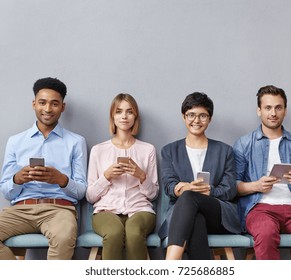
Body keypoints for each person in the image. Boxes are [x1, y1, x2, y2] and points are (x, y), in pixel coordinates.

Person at [0, 77, 87, 260]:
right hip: (20, 210)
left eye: (54, 104)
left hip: (59, 210)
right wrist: (17, 179)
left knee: (63, 238)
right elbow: (6, 191)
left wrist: (60, 179)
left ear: (62, 107)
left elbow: (81, 192)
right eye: (42, 103)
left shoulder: (76, 142)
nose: (47, 109)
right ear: (34, 104)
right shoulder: (15, 142)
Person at [233, 85, 291, 260]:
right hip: (260, 209)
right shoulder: (244, 144)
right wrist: (256, 185)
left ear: (285, 111)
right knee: (265, 234)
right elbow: (233, 187)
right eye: (268, 107)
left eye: (278, 107)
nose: (273, 113)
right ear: (259, 110)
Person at [158, 92, 241, 260]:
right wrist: (183, 188)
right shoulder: (169, 151)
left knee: (190, 196)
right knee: (196, 220)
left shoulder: (224, 151)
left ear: (209, 119)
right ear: (183, 117)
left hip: (218, 214)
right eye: (191, 115)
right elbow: (168, 186)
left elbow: (230, 190)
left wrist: (208, 191)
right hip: (182, 214)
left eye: (203, 115)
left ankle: (169, 265)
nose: (196, 120)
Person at [86, 93, 159, 260]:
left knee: (134, 233)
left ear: (135, 117)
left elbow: (154, 194)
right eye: (119, 111)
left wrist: (141, 175)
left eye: (129, 112)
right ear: (113, 116)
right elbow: (90, 197)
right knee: (113, 232)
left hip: (140, 209)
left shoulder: (147, 150)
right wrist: (107, 176)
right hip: (106, 210)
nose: (124, 116)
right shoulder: (99, 150)